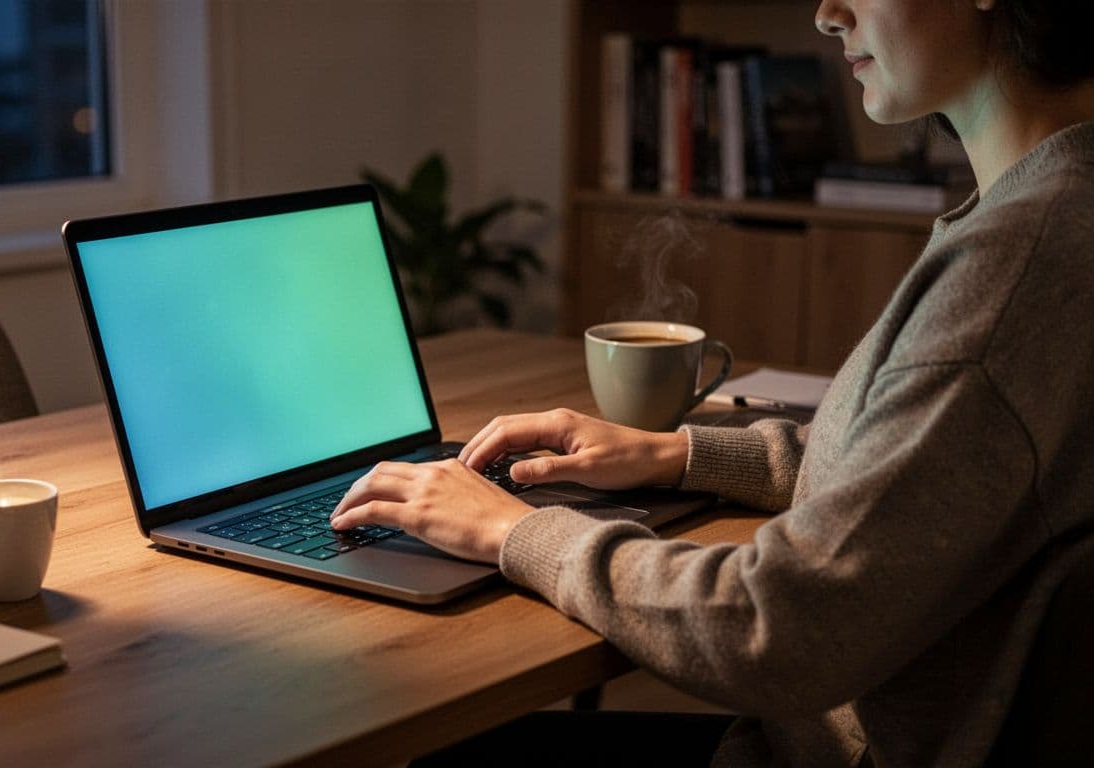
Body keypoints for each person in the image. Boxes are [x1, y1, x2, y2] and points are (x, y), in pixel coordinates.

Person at [330, 0, 1094, 764]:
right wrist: (677, 455)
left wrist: (511, 531)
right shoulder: (1052, 215)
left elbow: (778, 630)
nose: (828, 14)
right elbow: (938, 475)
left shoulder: (1016, 268)